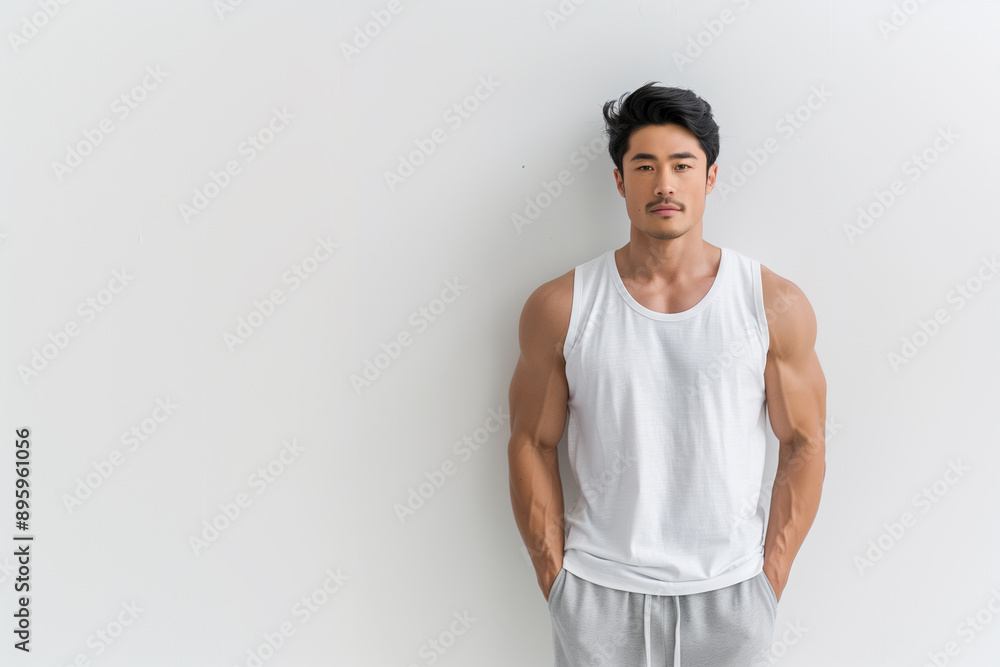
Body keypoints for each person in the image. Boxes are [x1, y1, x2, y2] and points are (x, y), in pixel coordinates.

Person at [506, 82, 826, 666]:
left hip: (731, 598)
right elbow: (531, 442)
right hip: (598, 597)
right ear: (620, 181)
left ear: (709, 177)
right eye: (645, 165)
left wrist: (767, 580)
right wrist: (556, 580)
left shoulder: (771, 304)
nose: (664, 184)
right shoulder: (562, 306)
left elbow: (804, 442)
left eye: (682, 165)